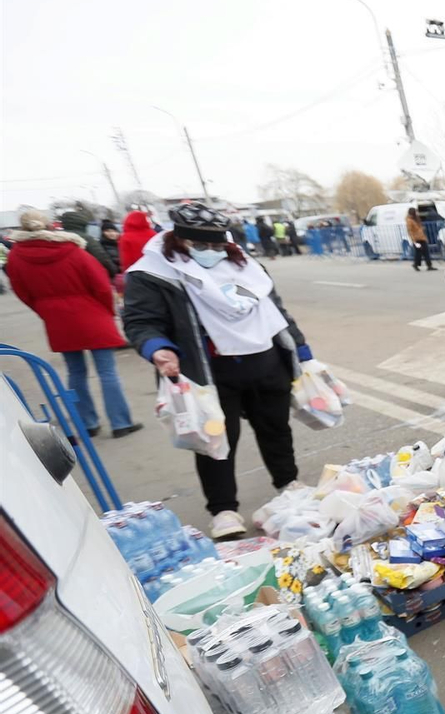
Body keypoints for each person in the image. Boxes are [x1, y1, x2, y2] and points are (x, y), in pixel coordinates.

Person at [122, 202, 314, 540]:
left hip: (265, 362)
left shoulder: (245, 266)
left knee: (276, 429)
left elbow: (275, 309)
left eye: (216, 245)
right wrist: (157, 348)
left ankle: (288, 483)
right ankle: (223, 510)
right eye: (200, 245)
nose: (210, 252)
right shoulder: (154, 273)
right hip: (209, 372)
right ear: (179, 240)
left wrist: (299, 347)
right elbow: (141, 321)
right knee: (215, 441)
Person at [6, 209, 142, 439]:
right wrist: (107, 312)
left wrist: (45, 310)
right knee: (107, 371)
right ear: (50, 226)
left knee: (75, 372)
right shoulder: (72, 250)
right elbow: (99, 283)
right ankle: (120, 423)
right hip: (92, 313)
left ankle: (86, 423)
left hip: (57, 320)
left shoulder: (16, 257)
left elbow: (22, 291)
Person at [58, 208, 117, 279]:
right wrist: (113, 272)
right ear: (83, 223)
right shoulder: (87, 239)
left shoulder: (56, 238)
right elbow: (102, 259)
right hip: (84, 278)